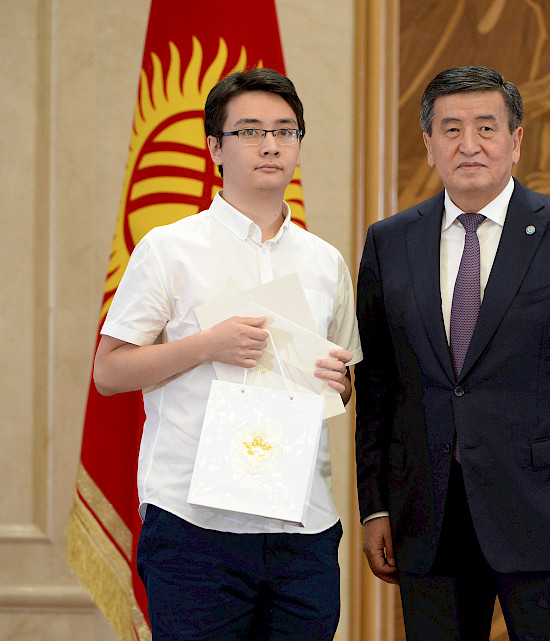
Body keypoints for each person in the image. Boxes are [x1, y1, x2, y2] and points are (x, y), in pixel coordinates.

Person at [355, 65, 550, 640]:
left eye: (486, 128)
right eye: (451, 129)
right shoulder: (390, 241)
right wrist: (376, 505)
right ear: (429, 145)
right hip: (429, 516)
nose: (469, 144)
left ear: (515, 140)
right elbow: (378, 385)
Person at [93, 68, 362, 641]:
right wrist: (205, 346)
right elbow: (109, 371)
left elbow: (343, 382)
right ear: (215, 147)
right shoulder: (170, 249)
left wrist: (338, 382)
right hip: (195, 524)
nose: (271, 145)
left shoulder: (325, 261)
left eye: (285, 131)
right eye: (250, 131)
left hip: (302, 525)